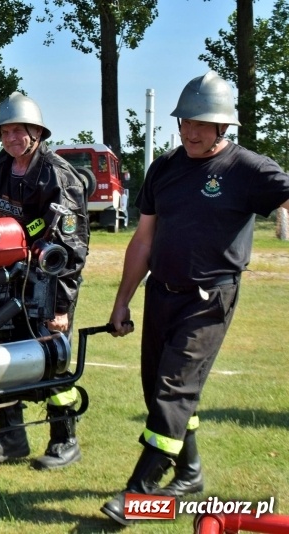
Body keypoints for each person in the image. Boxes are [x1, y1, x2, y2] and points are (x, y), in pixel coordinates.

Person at [100, 71, 289, 526]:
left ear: (224, 126)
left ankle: (139, 494)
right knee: (157, 390)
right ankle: (190, 472)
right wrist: (122, 300)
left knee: (173, 391)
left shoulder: (248, 168)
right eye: (185, 121)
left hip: (210, 298)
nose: (191, 130)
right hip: (161, 293)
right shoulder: (163, 167)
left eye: (202, 123)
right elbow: (143, 239)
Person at [0, 92, 89, 470]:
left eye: (20, 131)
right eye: (6, 131)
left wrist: (61, 307)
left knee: (50, 356)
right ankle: (10, 435)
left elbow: (72, 248)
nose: (12, 138)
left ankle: (64, 441)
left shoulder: (59, 176)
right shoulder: (1, 165)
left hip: (46, 283)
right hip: (2, 275)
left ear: (36, 132)